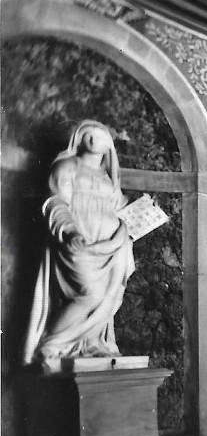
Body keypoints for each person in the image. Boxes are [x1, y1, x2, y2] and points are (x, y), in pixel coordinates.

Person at [23, 120, 134, 364]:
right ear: (79, 139)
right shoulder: (66, 167)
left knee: (110, 298)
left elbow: (121, 211)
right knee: (91, 294)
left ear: (109, 146)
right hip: (80, 241)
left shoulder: (108, 179)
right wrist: (69, 230)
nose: (95, 138)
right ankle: (52, 344)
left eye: (101, 135)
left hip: (112, 247)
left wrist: (142, 215)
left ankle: (92, 343)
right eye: (89, 134)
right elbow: (56, 202)